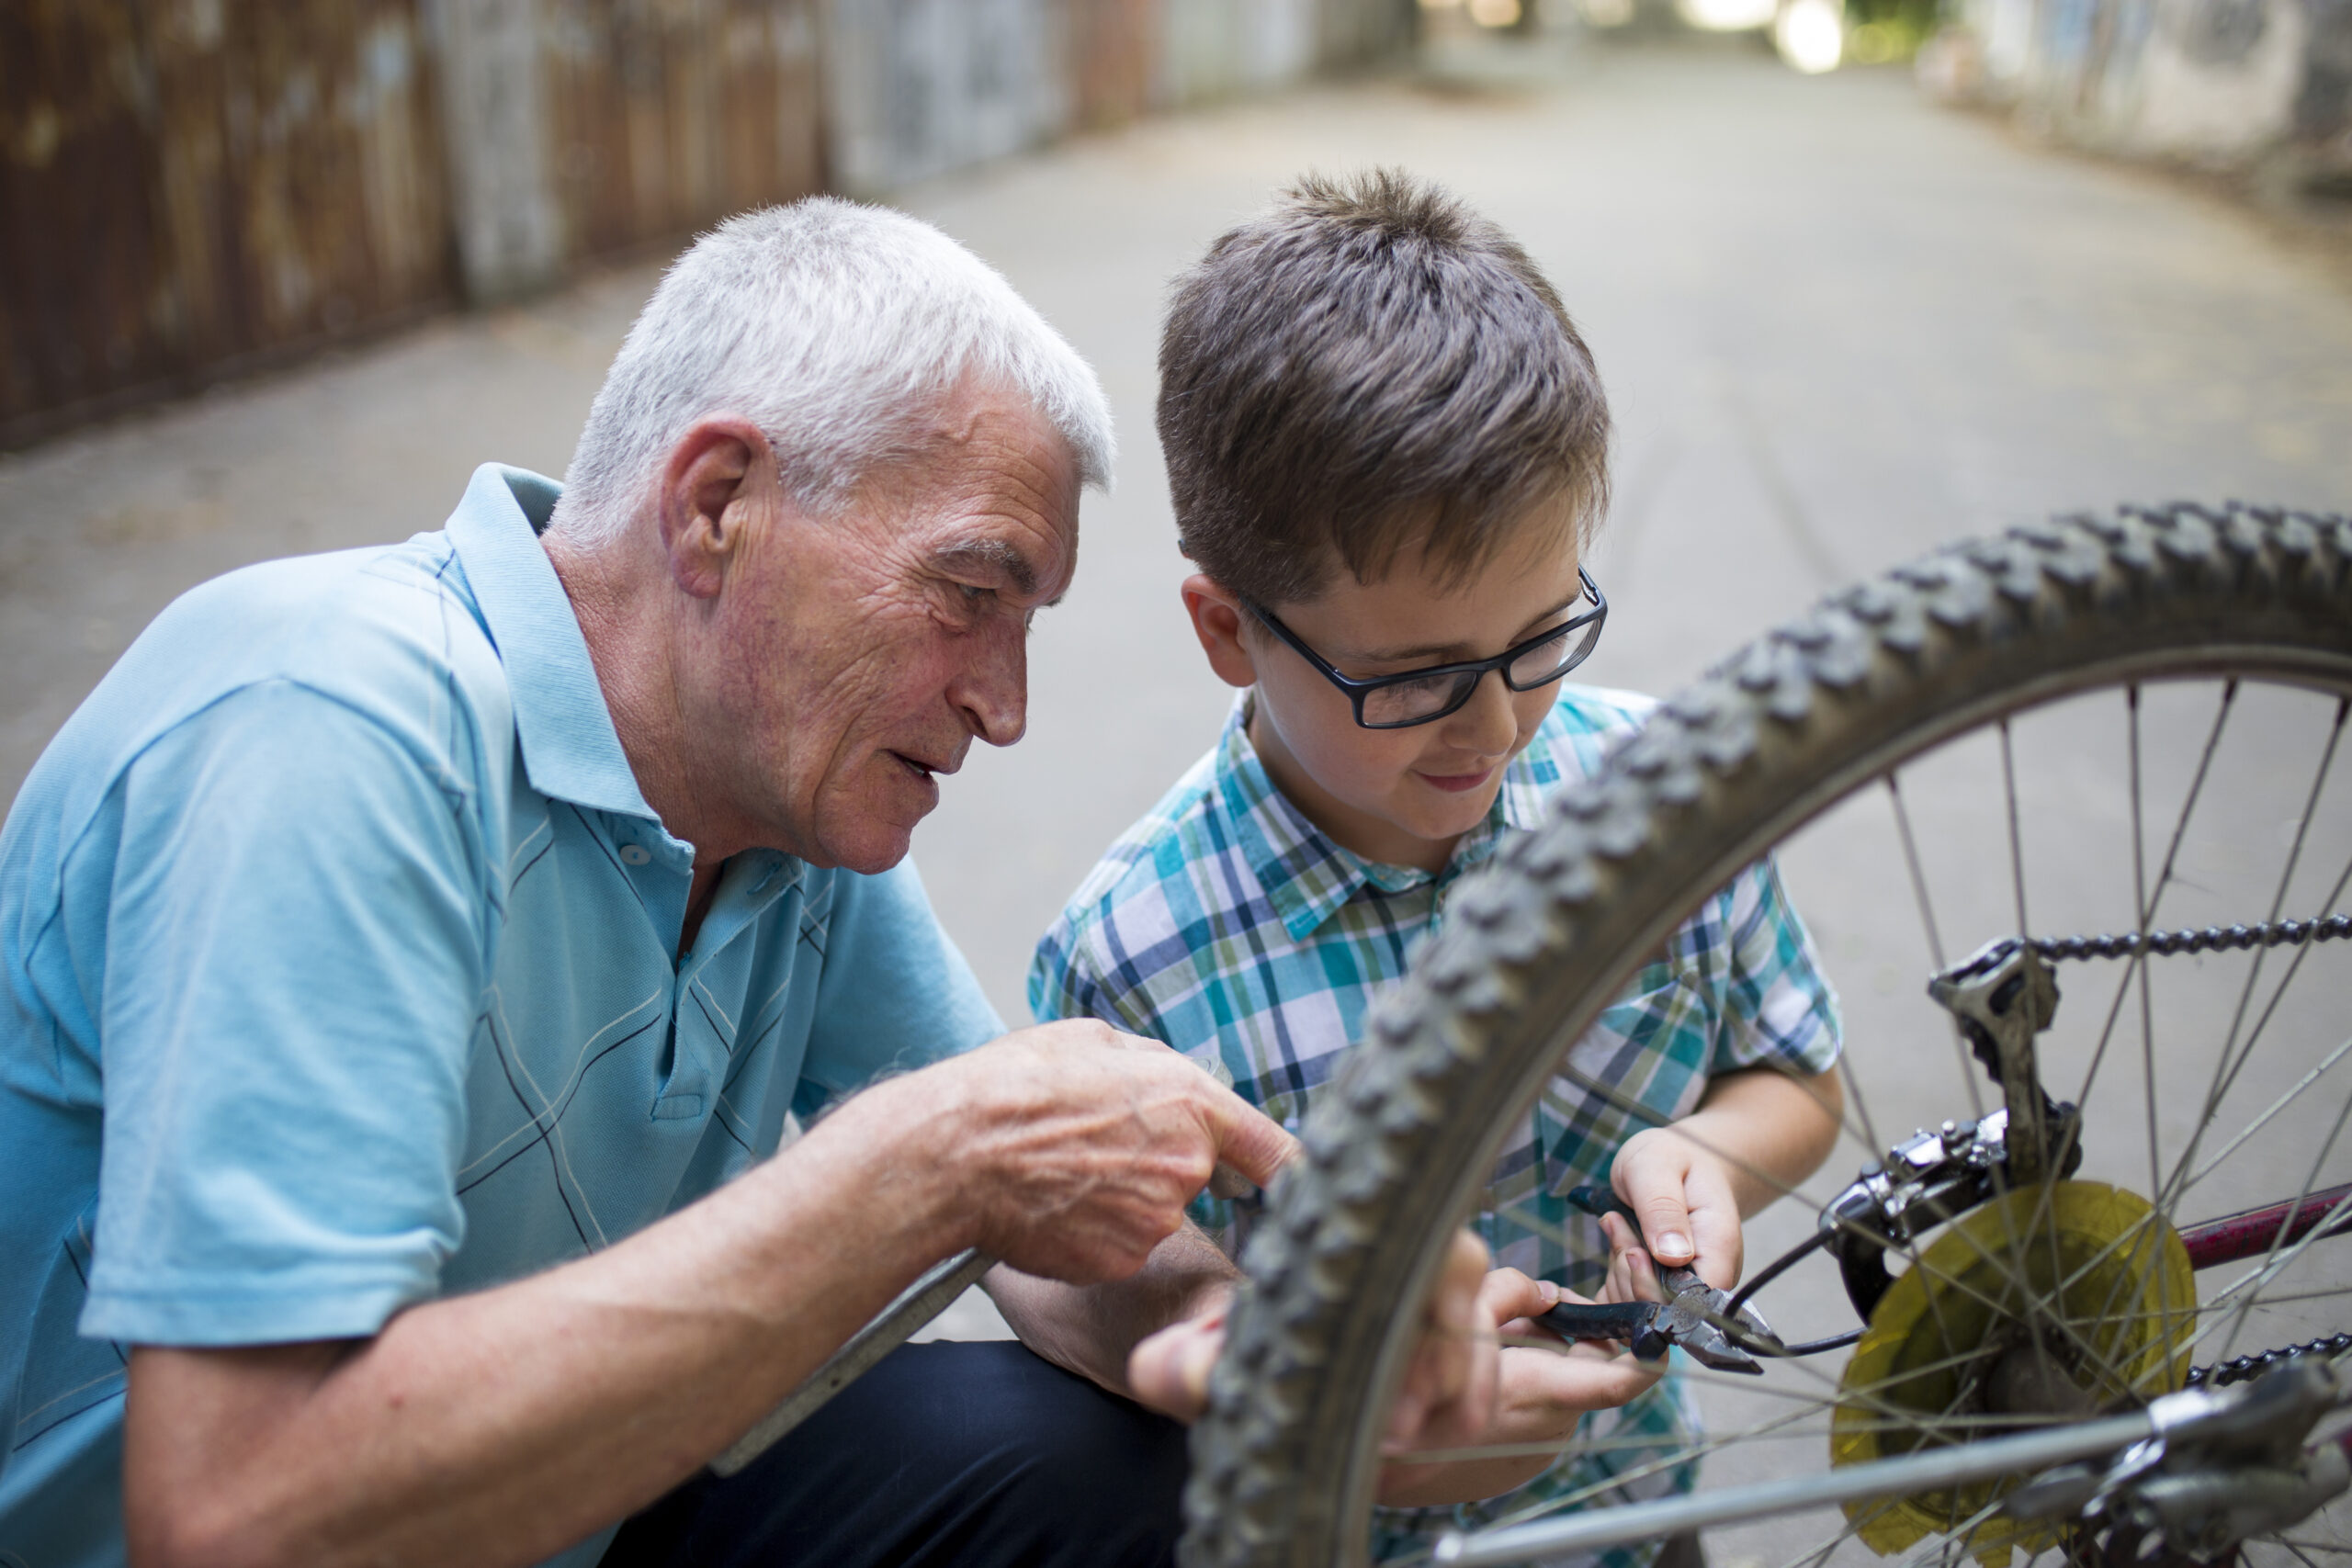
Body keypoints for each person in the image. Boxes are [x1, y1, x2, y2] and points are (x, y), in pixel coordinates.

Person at [0, 199, 1498, 1568]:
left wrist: (1301, 1351)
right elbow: (238, 1510)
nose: (1006, 704)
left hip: (535, 1513)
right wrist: (923, 1164)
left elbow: (1027, 1239)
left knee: (1151, 1480)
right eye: (970, 596)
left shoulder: (777, 805)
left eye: (1026, 623)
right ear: (717, 503)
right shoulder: (331, 722)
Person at [1029, 170, 1850, 1564]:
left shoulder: (1664, 795)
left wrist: (1701, 1150)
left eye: (1541, 638)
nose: (1494, 725)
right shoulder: (1135, 952)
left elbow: (1797, 1074)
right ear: (1228, 629)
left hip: (1644, 1517)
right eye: (1412, 680)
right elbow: (1109, 1281)